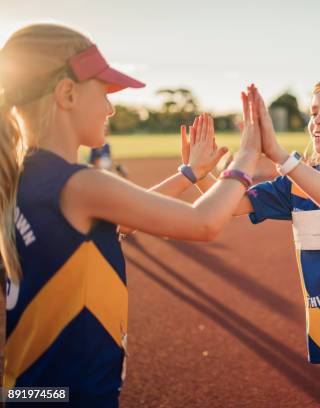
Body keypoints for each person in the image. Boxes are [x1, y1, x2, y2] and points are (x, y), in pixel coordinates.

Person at [0, 23, 262, 406]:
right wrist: (247, 156)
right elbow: (203, 223)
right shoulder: (80, 185)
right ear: (67, 93)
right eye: (103, 92)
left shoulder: (26, 176)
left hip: (32, 392)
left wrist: (188, 174)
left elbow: (126, 215)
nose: (109, 107)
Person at [185, 77, 320, 407]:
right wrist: (199, 173)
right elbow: (231, 205)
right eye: (315, 112)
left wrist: (285, 160)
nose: (317, 121)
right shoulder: (294, 182)